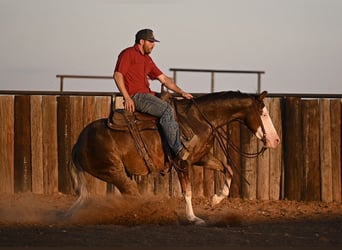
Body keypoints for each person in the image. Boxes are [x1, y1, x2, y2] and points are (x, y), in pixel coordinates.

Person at [113, 28, 197, 161]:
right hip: (137, 97)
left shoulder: (147, 59)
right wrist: (127, 97)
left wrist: (181, 92)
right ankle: (178, 149)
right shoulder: (128, 54)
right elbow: (118, 75)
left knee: (174, 105)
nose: (153, 45)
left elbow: (164, 79)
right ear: (141, 41)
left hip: (148, 95)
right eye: (151, 41)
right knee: (166, 109)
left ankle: (178, 138)